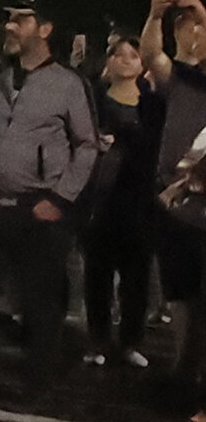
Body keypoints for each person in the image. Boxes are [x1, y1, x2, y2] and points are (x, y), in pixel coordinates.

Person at [0, 0, 98, 390]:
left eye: (21, 20)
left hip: (39, 209)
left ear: (45, 29)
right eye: (10, 19)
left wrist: (61, 199)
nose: (10, 27)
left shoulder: (68, 84)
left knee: (41, 302)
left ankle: (39, 380)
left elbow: (87, 145)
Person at [140, 0, 206, 411]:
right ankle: (186, 372)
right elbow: (151, 56)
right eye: (185, 27)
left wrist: (204, 14)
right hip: (178, 203)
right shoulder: (182, 80)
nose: (193, 34)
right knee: (181, 294)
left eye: (197, 27)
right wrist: (155, 15)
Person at [81, 37, 163, 367]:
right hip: (99, 197)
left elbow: (156, 148)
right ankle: (97, 340)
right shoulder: (94, 99)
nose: (126, 60)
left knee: (136, 275)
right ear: (109, 61)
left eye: (134, 55)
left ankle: (131, 342)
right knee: (97, 273)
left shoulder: (153, 103)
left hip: (139, 198)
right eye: (120, 54)